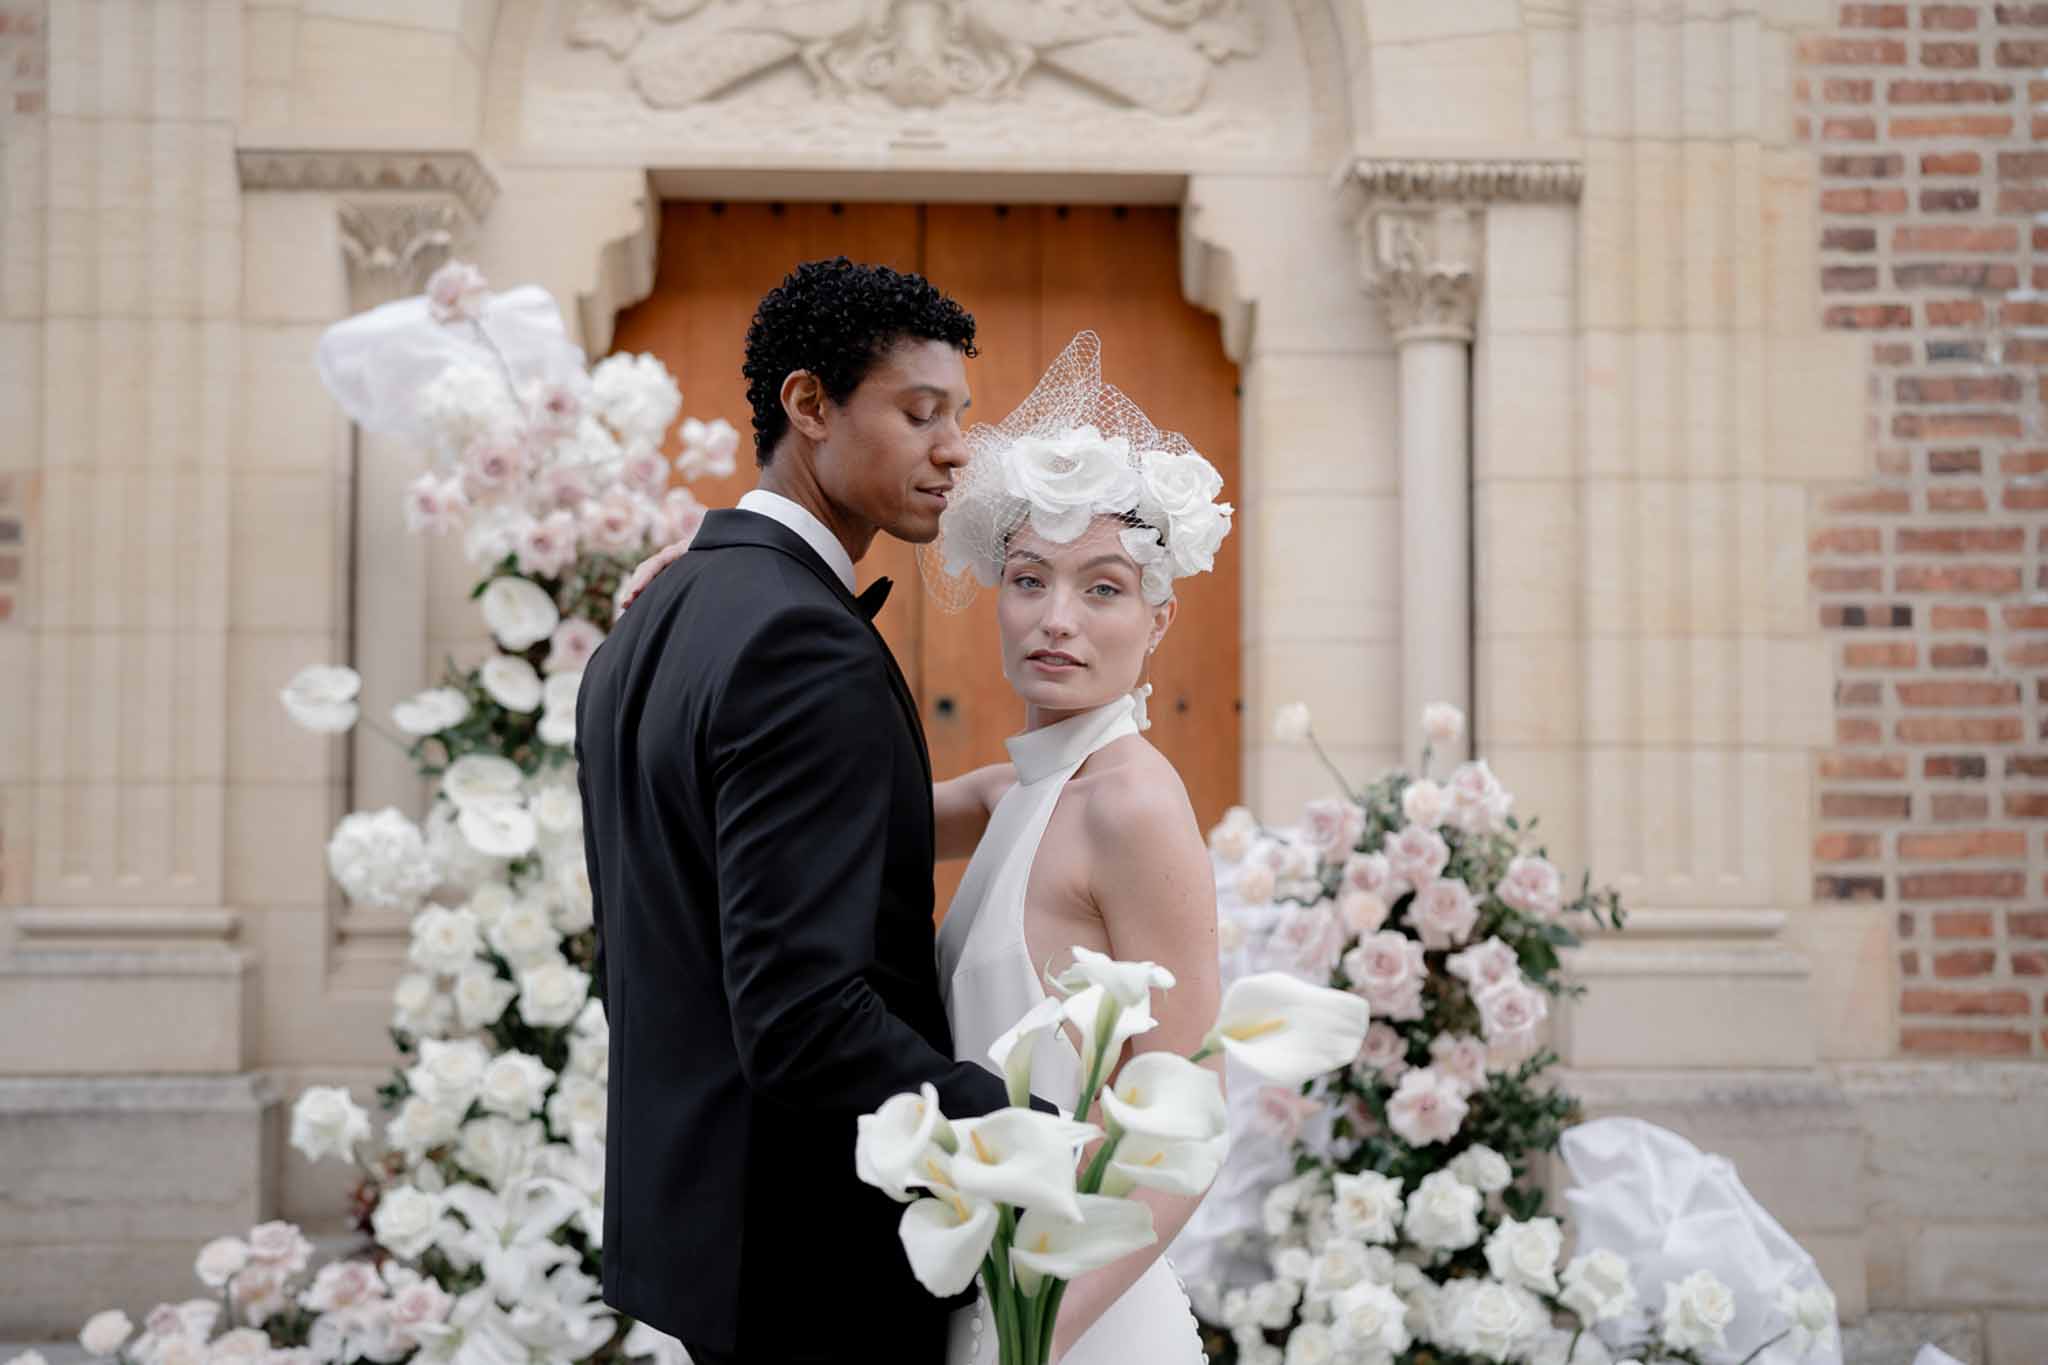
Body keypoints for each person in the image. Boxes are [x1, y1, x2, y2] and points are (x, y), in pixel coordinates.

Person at [576, 258, 1026, 1365]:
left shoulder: (660, 608)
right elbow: (800, 1015)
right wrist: (1022, 1131)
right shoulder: (800, 642)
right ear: (809, 406)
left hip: (702, 1231)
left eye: (959, 417)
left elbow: (751, 859)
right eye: (919, 414)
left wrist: (1046, 789)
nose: (954, 449)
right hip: (807, 1257)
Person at [923, 331, 1229, 1363]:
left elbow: (1181, 1130)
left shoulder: (1132, 805)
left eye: (1101, 587)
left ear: (1158, 618)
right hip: (983, 1288)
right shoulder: (1025, 783)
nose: (1056, 620)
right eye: (1027, 580)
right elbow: (830, 819)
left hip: (1069, 1319)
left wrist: (1033, 1336)